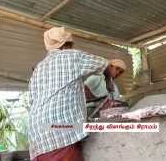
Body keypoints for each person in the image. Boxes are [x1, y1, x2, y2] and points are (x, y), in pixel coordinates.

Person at [28, 27, 108, 160]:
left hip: (37, 135)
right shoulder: (72, 56)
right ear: (67, 44)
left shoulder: (38, 68)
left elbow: (32, 101)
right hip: (60, 131)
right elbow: (104, 64)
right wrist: (109, 79)